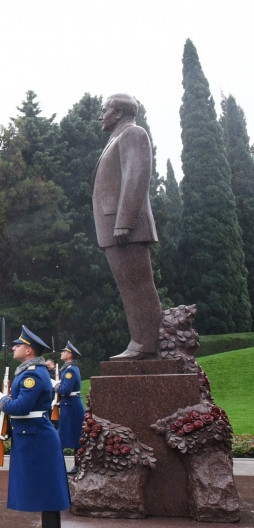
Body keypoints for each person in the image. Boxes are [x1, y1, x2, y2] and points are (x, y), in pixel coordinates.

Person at [92, 93, 162, 360]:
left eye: (105, 110)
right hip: (115, 228)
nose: (101, 115)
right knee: (129, 287)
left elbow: (136, 176)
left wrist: (124, 222)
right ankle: (141, 341)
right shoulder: (116, 138)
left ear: (119, 112)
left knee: (138, 286)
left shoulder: (133, 134)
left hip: (125, 229)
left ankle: (146, 343)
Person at [0, 325, 70, 528]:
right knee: (46, 493)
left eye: (18, 345)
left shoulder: (33, 375)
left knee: (49, 494)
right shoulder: (31, 372)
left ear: (29, 350)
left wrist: (2, 401)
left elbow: (21, 407)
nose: (14, 348)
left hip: (38, 439)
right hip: (34, 437)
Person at [55, 341, 86, 474]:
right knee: (74, 436)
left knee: (76, 437)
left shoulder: (70, 370)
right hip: (70, 405)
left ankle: (77, 466)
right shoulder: (70, 368)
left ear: (70, 355)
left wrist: (56, 386)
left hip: (71, 406)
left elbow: (66, 390)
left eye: (64, 352)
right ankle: (77, 465)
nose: (61, 353)